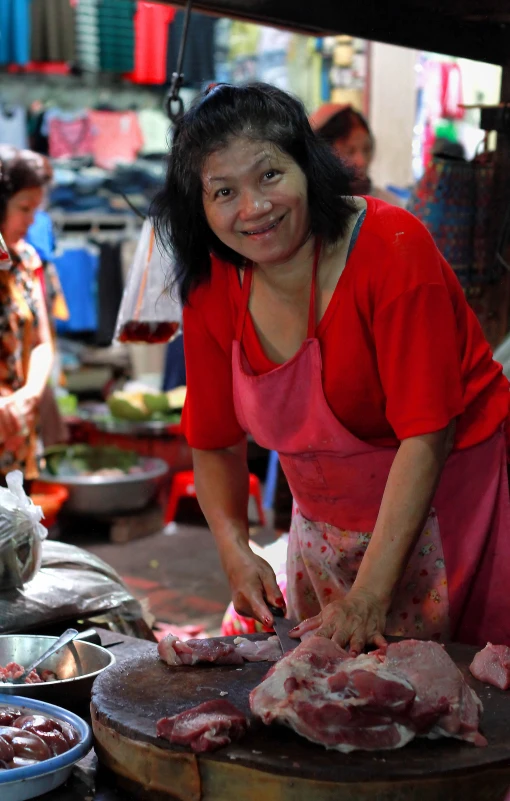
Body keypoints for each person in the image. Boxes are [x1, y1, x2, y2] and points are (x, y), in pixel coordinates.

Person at [152, 83, 510, 653]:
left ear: (309, 166)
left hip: (450, 506)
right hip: (323, 525)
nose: (254, 208)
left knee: (454, 694)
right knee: (331, 699)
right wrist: (234, 548)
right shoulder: (212, 282)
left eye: (270, 175)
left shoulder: (393, 247)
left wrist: (369, 594)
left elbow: (427, 434)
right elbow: (216, 440)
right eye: (224, 191)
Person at [0, 146, 54, 485]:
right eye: (24, 208)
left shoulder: (27, 261)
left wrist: (30, 394)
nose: (32, 220)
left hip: (17, 432)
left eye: (35, 209)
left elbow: (42, 343)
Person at [309, 103, 399, 204]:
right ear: (322, 156)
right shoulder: (309, 207)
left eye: (367, 149)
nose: (362, 162)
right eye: (349, 151)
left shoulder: (388, 205)